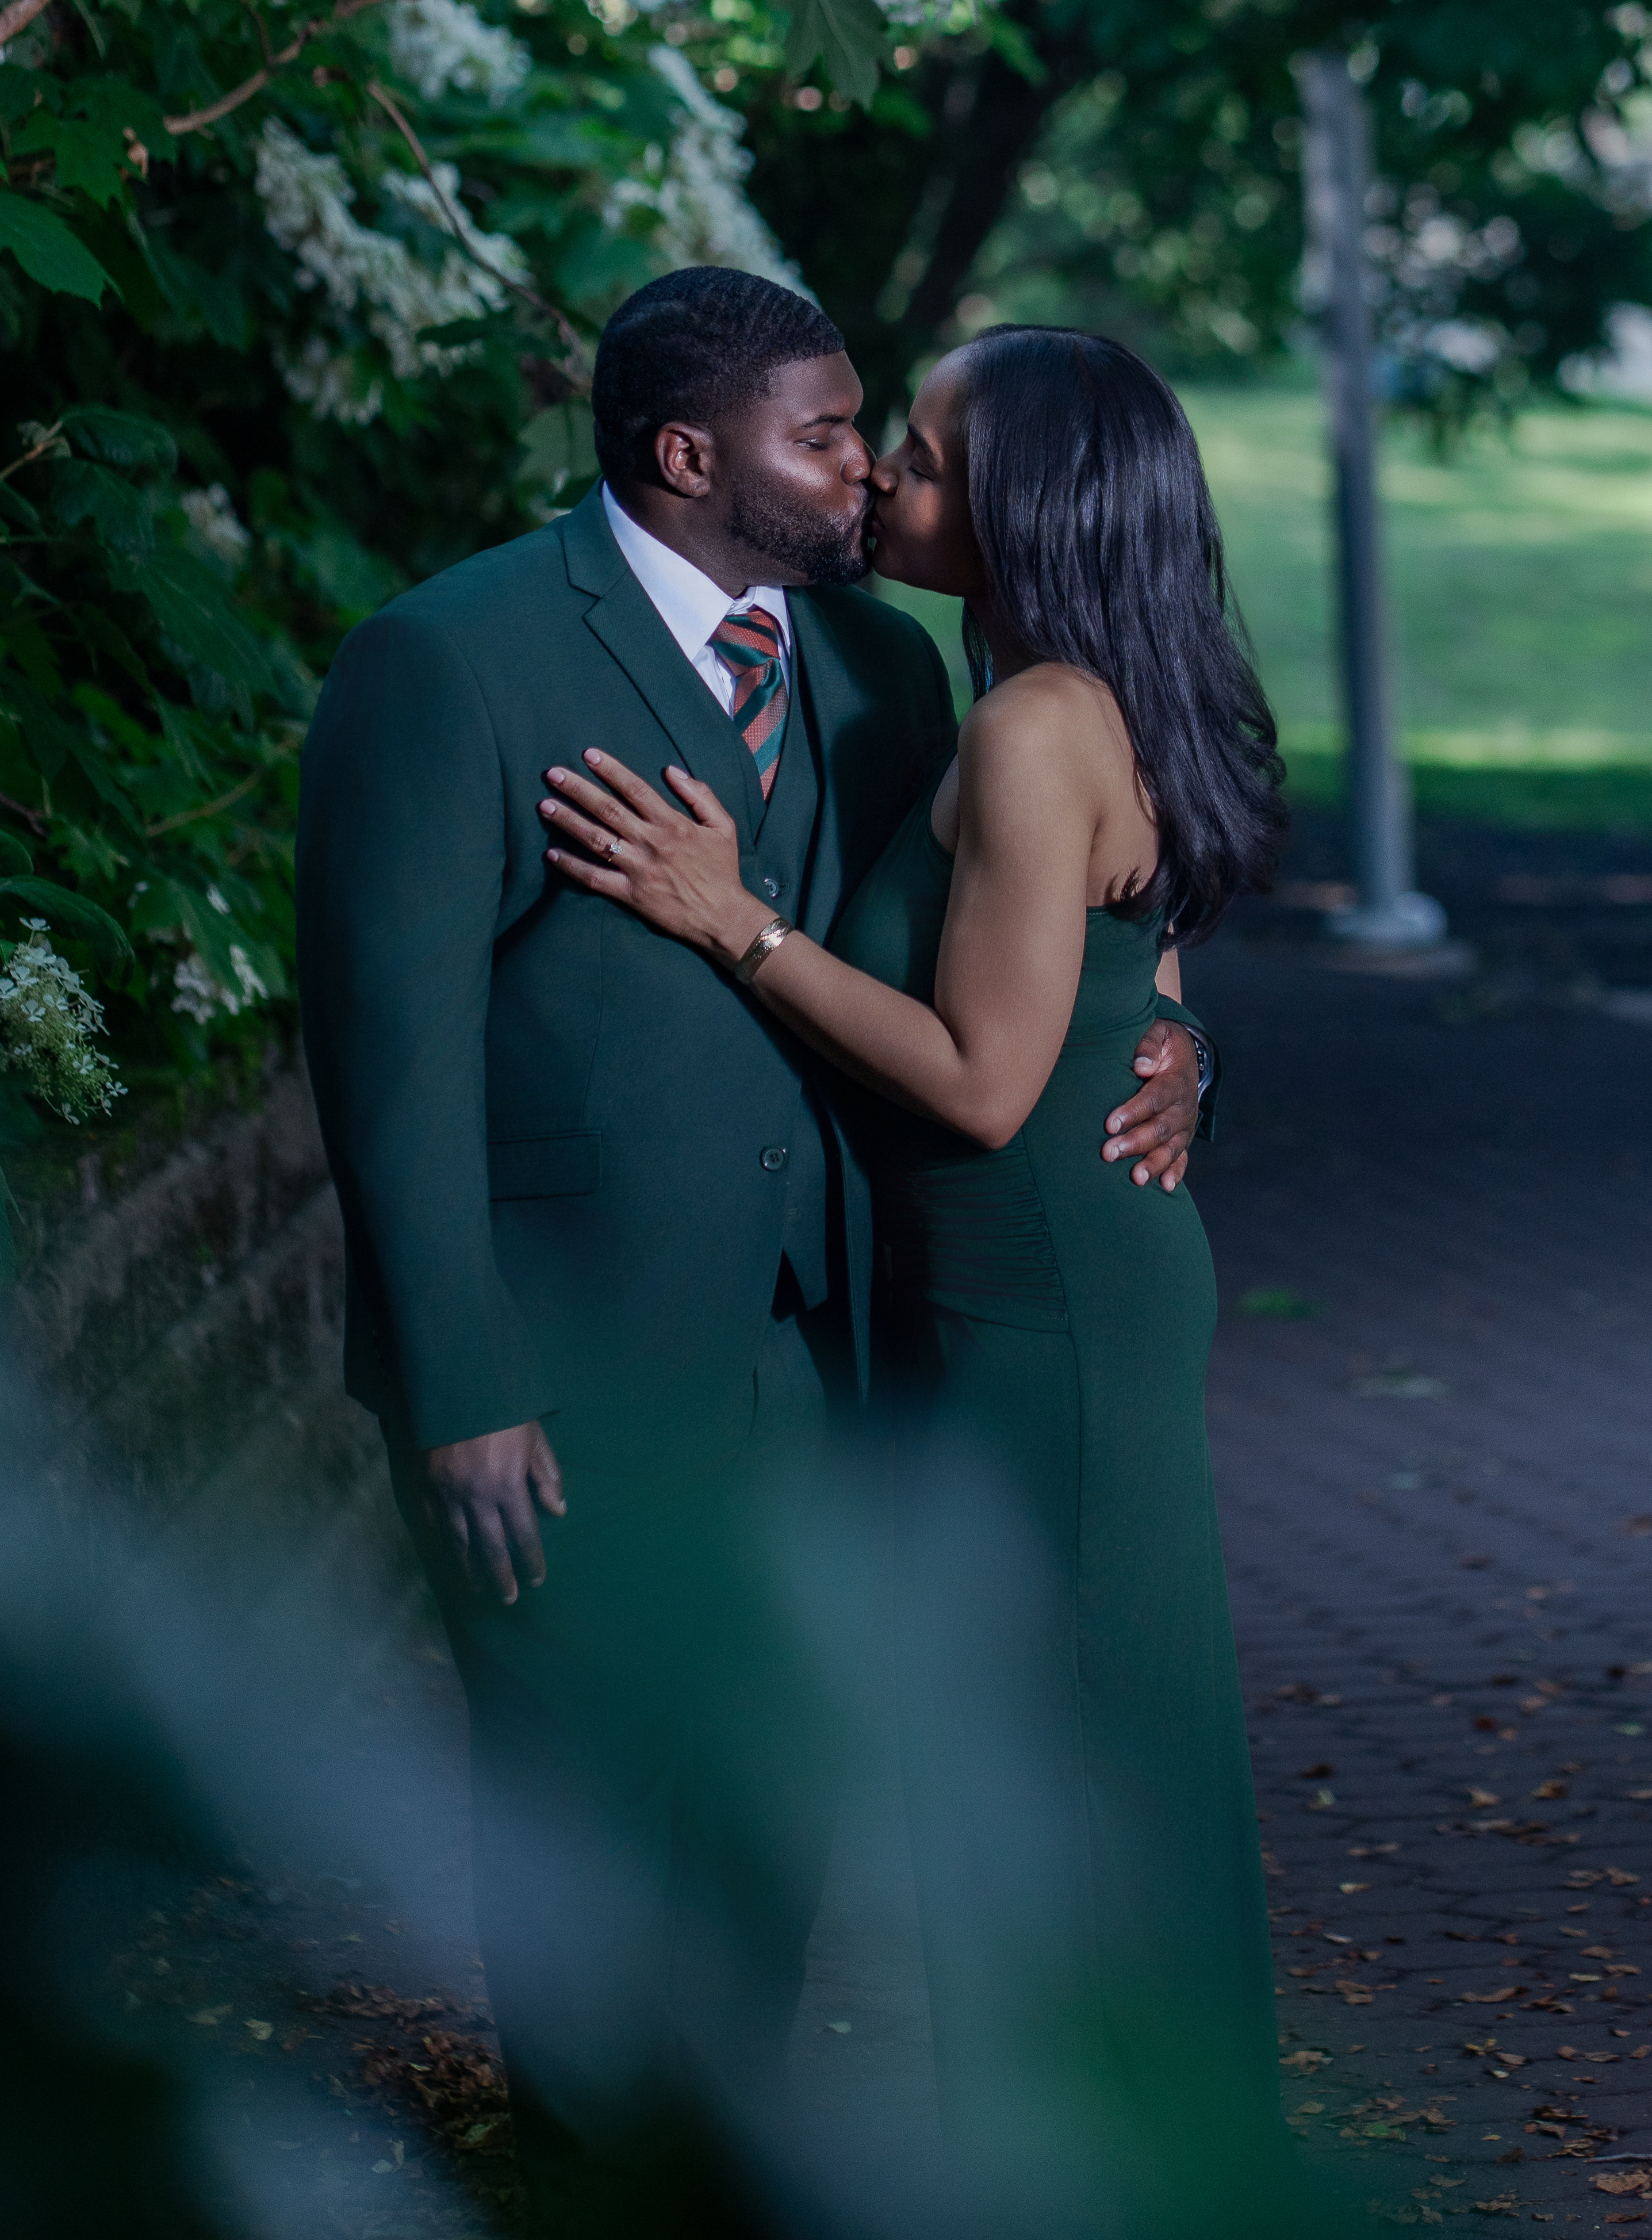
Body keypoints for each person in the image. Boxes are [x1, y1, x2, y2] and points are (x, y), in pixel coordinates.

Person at [295, 274, 1210, 2238]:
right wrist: (459, 1389)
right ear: (688, 455)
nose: (866, 464)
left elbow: (1033, 940)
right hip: (562, 1366)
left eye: (884, 433)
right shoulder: (448, 661)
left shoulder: (890, 669)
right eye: (828, 434)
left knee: (772, 1825)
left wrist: (1173, 1044)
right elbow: (383, 1059)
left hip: (828, 1354)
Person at [538, 325, 1302, 2240]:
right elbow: (1146, 969)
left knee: (1063, 1771)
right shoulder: (1067, 690)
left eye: (932, 463)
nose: (884, 482)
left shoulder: (1034, 723)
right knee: (1088, 1750)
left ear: (1032, 508)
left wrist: (736, 920)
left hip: (1036, 1303)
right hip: (1051, 1286)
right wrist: (1184, 1055)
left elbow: (979, 1080)